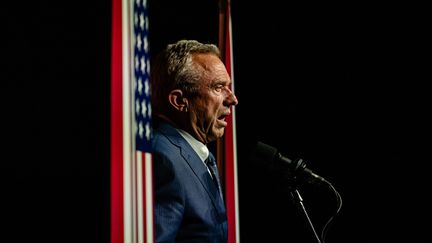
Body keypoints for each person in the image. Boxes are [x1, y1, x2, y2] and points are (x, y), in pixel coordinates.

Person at [150, 39, 239, 243]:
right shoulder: (163, 158)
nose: (233, 99)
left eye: (229, 87)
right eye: (219, 87)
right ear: (180, 101)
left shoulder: (193, 153)